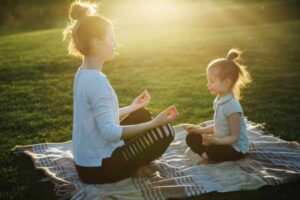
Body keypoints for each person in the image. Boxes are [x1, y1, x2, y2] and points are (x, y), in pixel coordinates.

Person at [63, 2, 178, 184]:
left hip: (86, 162)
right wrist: (154, 123)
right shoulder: (97, 81)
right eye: (111, 38)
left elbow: (97, 119)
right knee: (165, 131)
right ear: (96, 42)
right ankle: (131, 168)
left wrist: (133, 107)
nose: (116, 43)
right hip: (99, 169)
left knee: (141, 113)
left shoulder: (83, 73)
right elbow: (109, 132)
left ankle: (133, 162)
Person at [184, 49, 251, 163]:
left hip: (234, 148)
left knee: (214, 150)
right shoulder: (219, 100)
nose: (208, 84)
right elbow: (219, 126)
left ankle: (208, 153)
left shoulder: (233, 107)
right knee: (191, 137)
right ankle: (205, 154)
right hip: (221, 140)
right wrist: (199, 130)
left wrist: (214, 140)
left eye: (212, 81)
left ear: (226, 82)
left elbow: (234, 137)